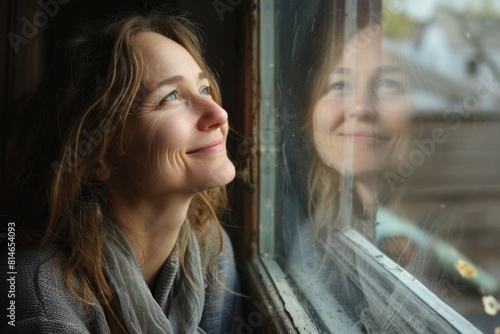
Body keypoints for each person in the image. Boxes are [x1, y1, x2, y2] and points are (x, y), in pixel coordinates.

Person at [0, 10, 240, 334]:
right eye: (171, 97)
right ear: (96, 155)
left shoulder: (210, 249)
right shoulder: (41, 297)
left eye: (205, 90)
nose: (219, 114)